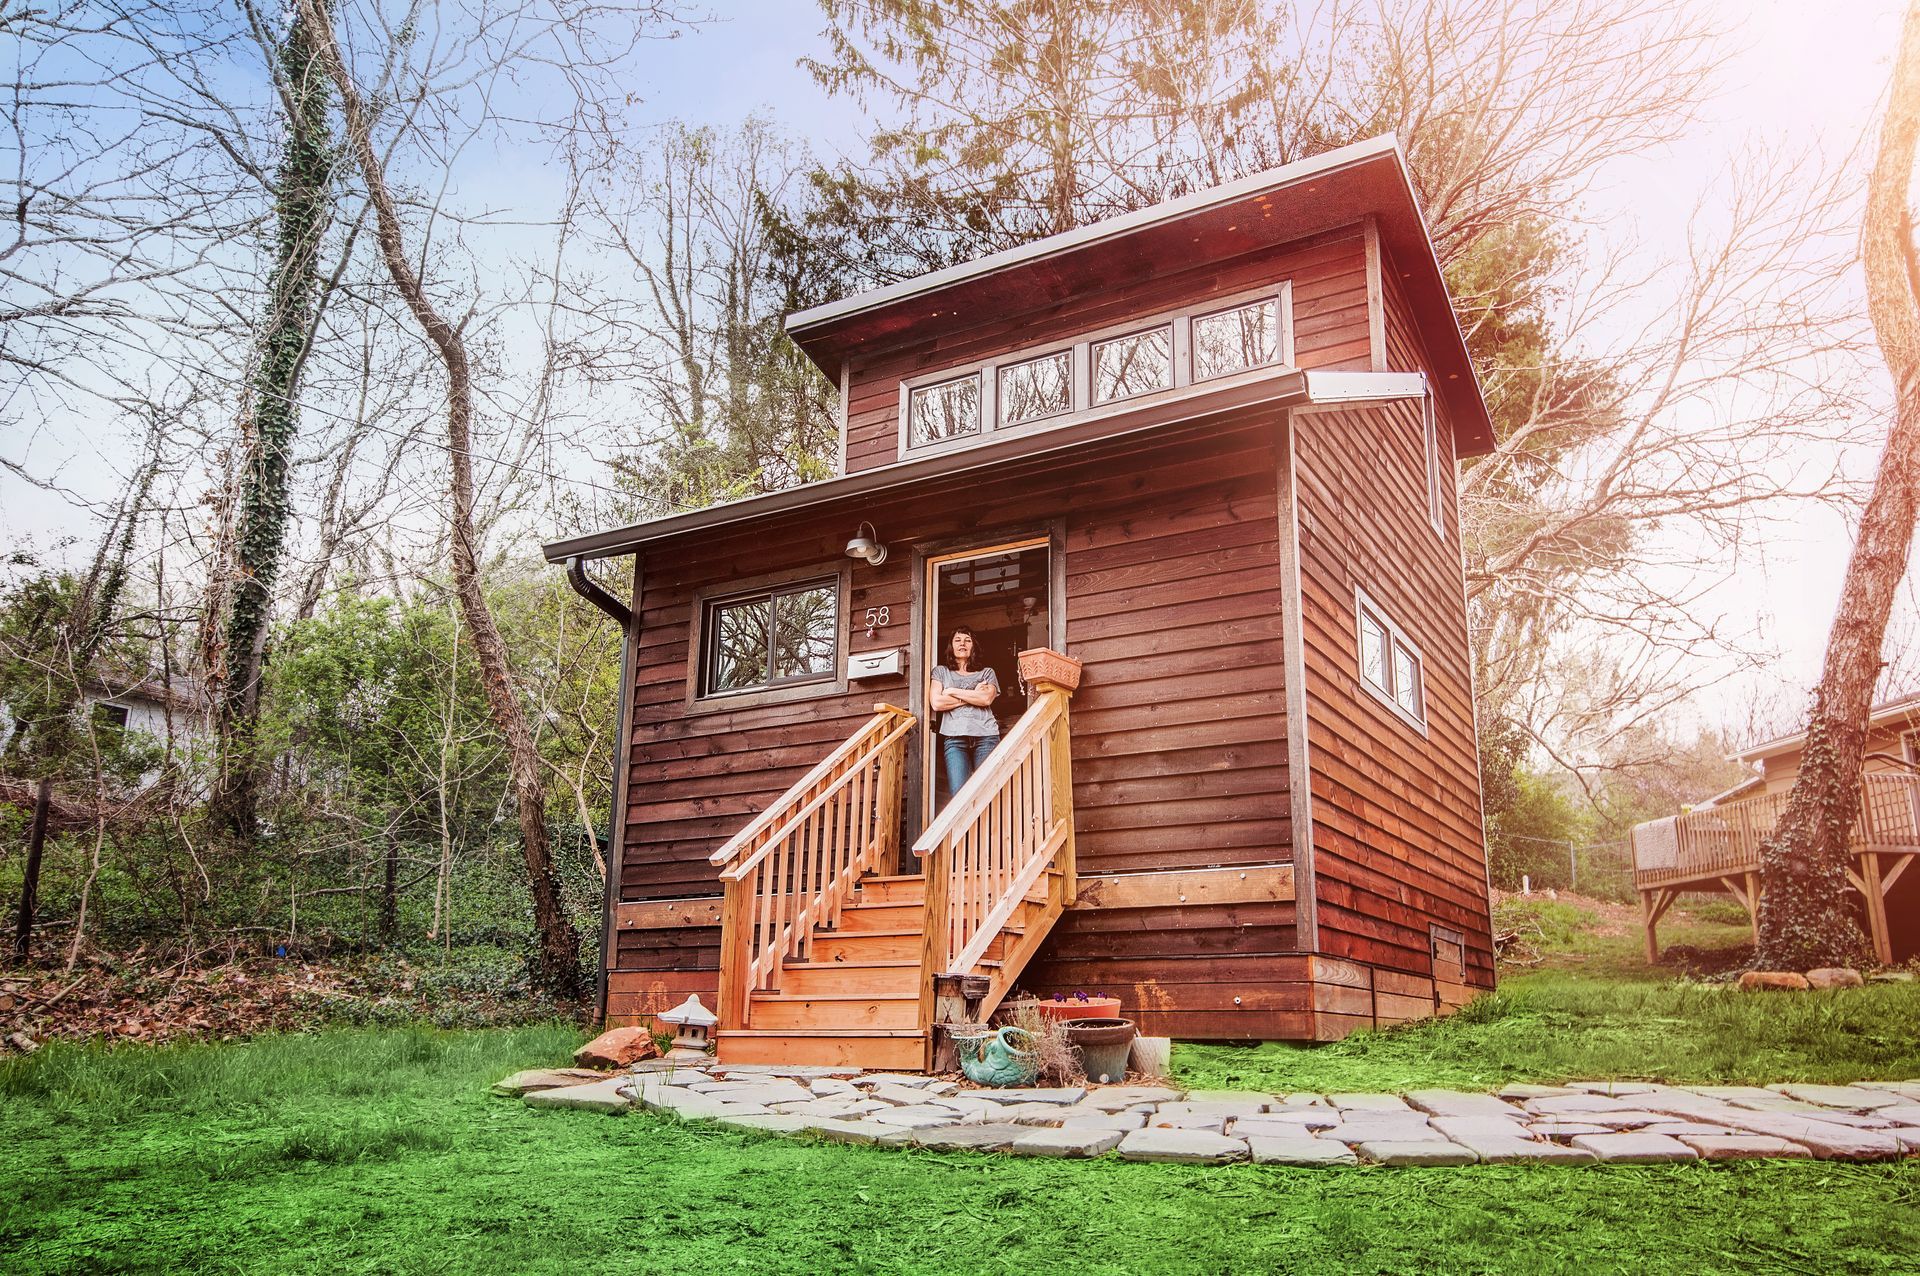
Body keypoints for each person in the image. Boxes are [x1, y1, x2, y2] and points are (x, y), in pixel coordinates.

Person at [930, 625, 1000, 802]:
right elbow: (937, 703)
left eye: (967, 640)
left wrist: (951, 691)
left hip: (986, 736)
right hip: (955, 739)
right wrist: (973, 694)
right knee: (959, 796)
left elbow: (985, 700)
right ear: (951, 646)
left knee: (987, 792)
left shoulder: (987, 673)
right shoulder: (941, 672)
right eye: (958, 640)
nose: (963, 643)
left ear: (973, 646)